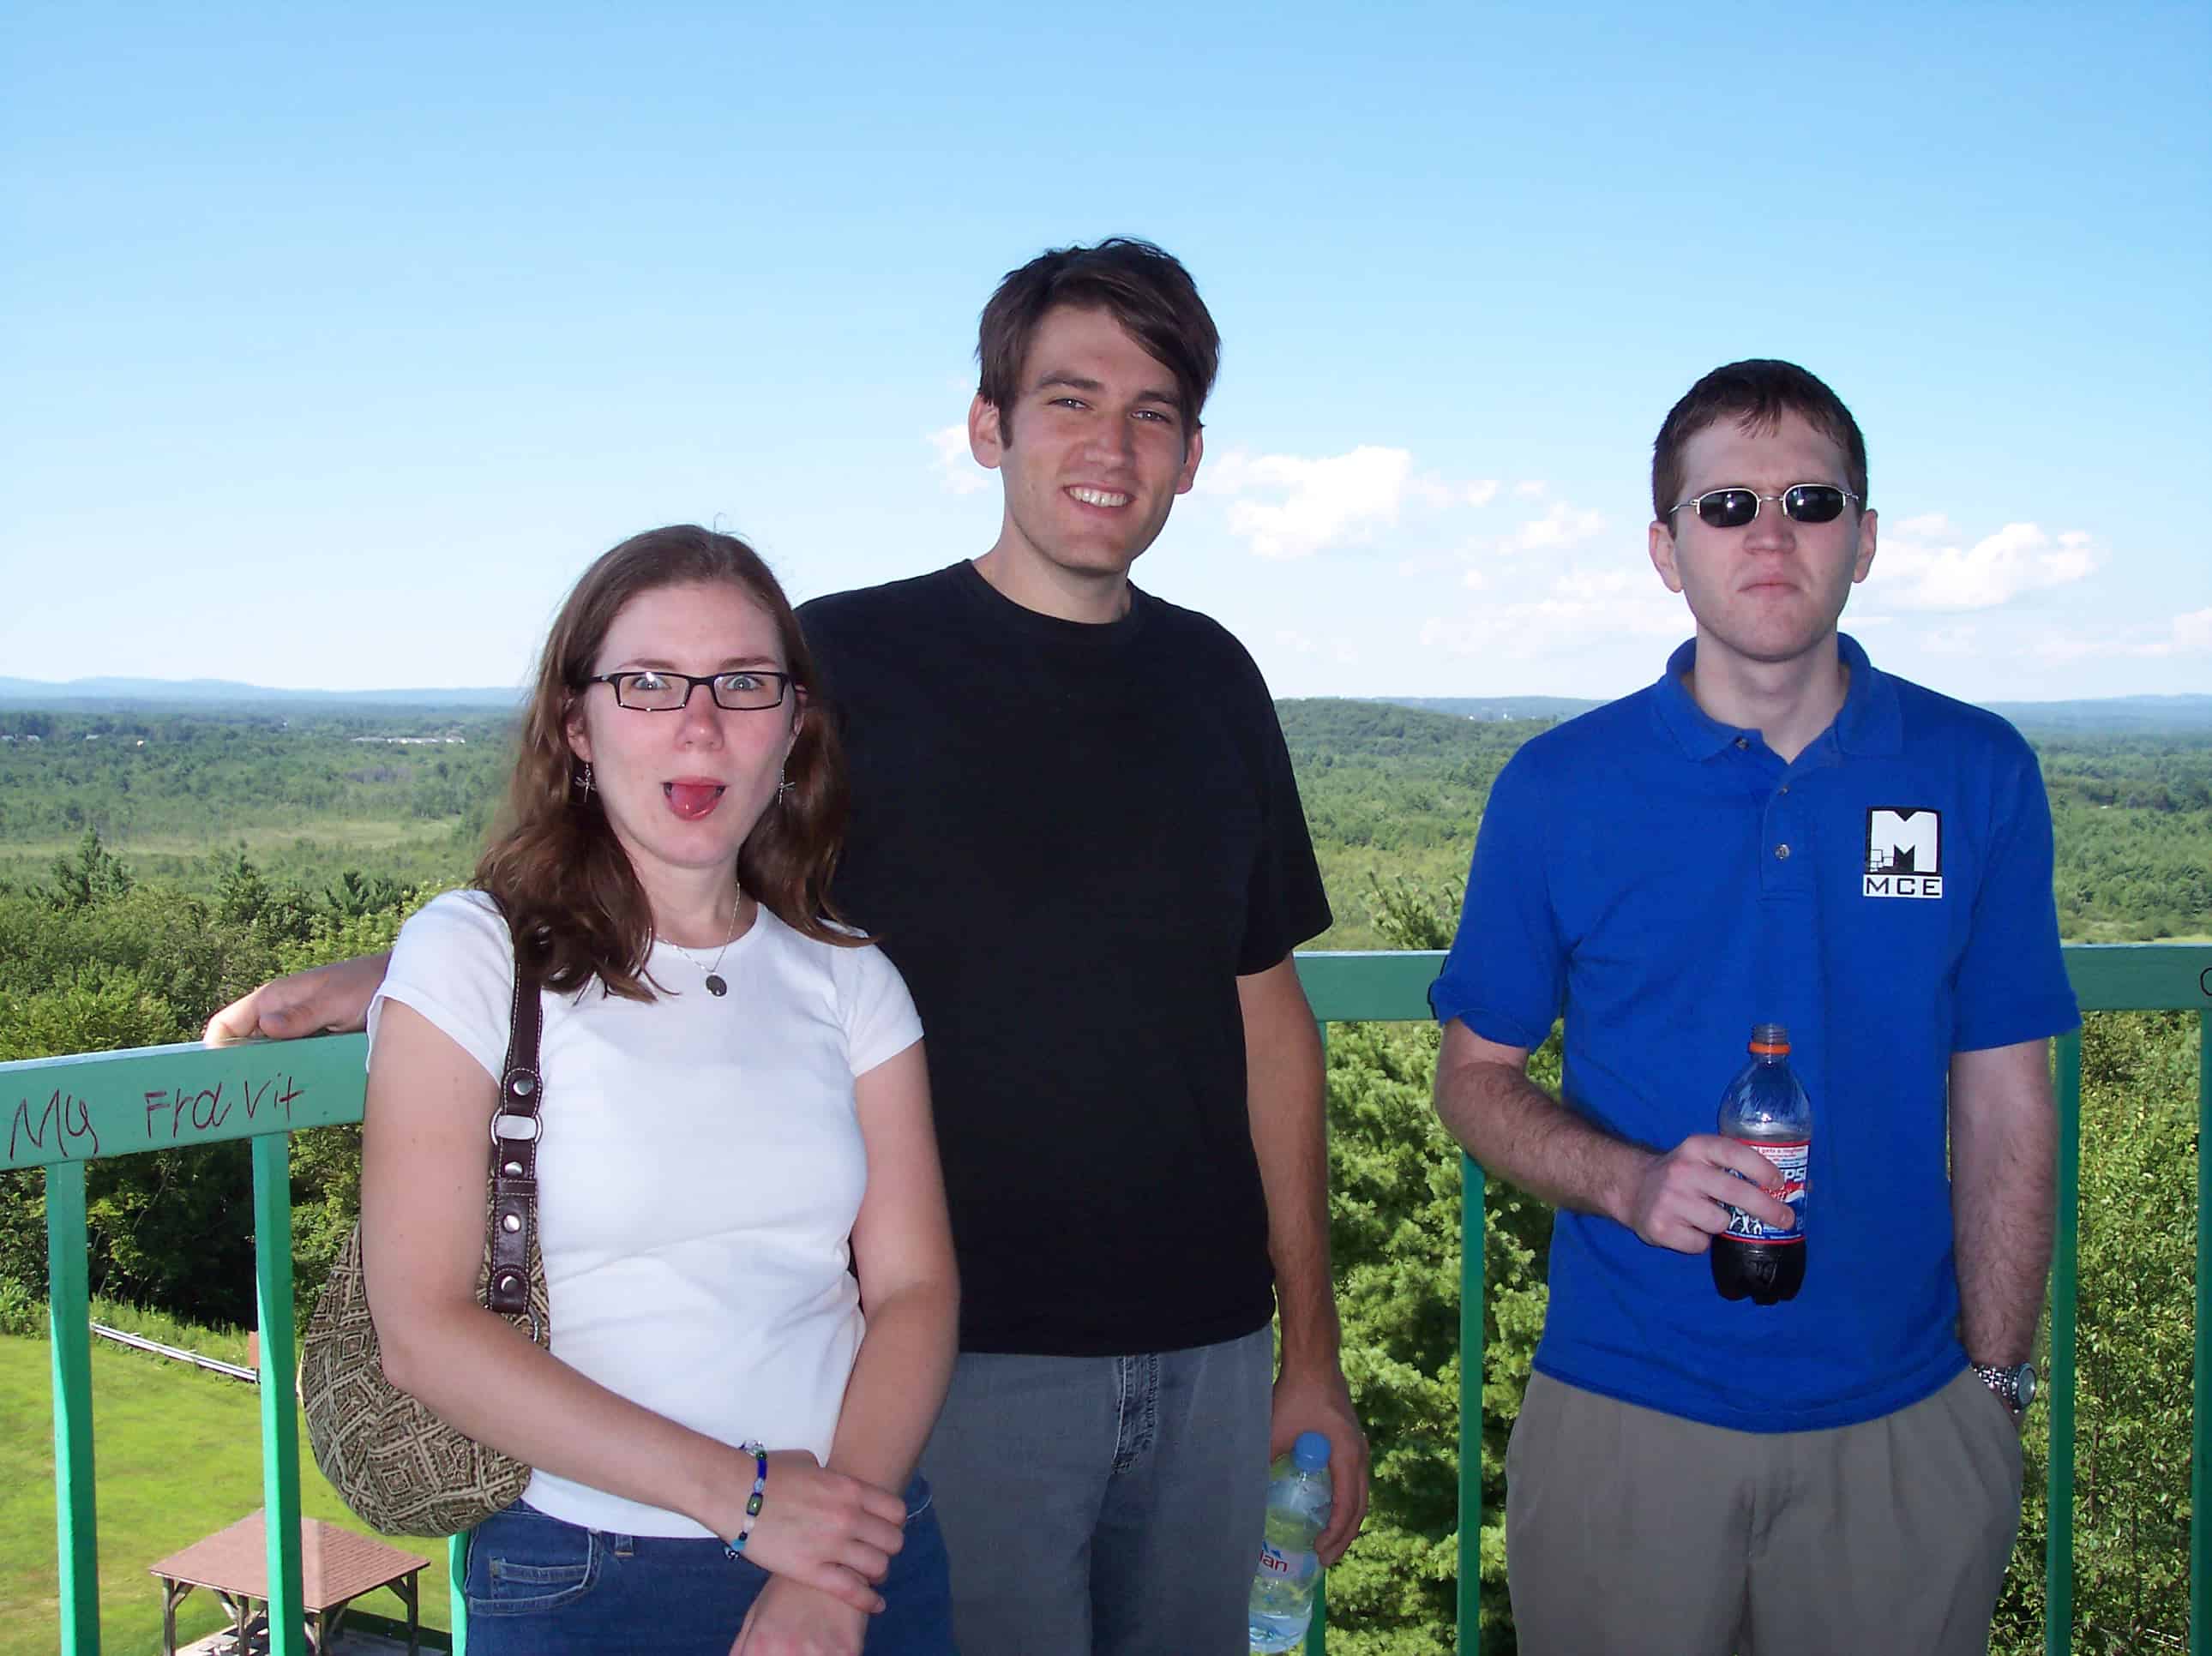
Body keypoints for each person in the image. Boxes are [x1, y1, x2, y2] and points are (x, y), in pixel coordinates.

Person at [207, 239, 1368, 1655]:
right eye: (1069, 399)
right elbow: (668, 831)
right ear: (988, 426)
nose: (1110, 446)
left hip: (1204, 1348)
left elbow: (1268, 1017)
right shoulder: (845, 664)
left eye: (1153, 413)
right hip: (950, 1370)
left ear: (1194, 456)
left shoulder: (1217, 683)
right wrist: (423, 976)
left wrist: (1309, 1352)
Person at [1428, 360, 2078, 1655]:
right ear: (1666, 551)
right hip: (1626, 1416)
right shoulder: (1560, 788)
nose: (1769, 534)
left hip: (1904, 1423)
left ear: (1868, 539)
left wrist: (1991, 1392)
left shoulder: (1975, 770)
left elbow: (2008, 1095)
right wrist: (1627, 1185)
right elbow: (1472, 1078)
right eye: (1724, 505)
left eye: (1810, 499)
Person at [358, 524, 958, 1656]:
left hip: (861, 1547)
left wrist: (830, 1554)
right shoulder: (475, 956)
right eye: (648, 683)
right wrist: (743, 1499)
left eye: (743, 683)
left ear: (794, 732)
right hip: (589, 1569)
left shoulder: (849, 977)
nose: (699, 723)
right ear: (576, 727)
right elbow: (420, 1330)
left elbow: (918, 1288)